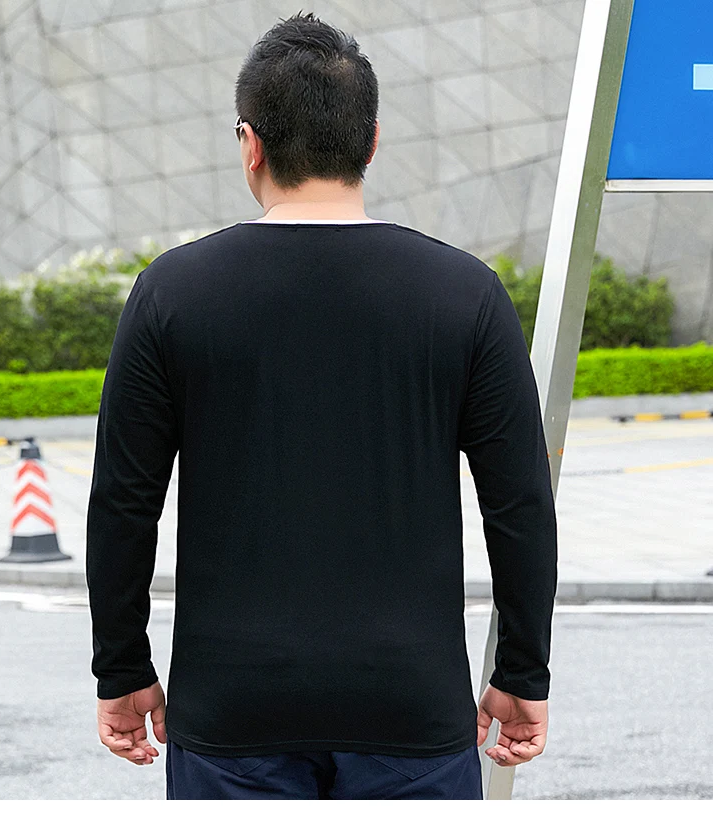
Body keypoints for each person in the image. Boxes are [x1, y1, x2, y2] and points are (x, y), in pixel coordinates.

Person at [86, 11, 558, 801]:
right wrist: (522, 670)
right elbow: (519, 503)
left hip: (232, 708)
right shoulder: (465, 293)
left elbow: (123, 502)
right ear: (370, 142)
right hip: (411, 706)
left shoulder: (172, 292)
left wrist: (122, 666)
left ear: (250, 145)